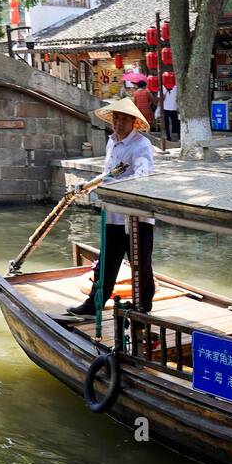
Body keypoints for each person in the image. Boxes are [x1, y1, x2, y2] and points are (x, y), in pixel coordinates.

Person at [68, 97, 156, 317]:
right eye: (117, 118)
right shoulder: (112, 142)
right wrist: (87, 186)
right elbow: (110, 173)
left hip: (137, 218)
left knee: (141, 265)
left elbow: (143, 173)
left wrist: (126, 186)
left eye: (125, 119)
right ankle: (94, 304)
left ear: (134, 122)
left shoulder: (141, 145)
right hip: (113, 215)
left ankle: (143, 308)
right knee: (106, 262)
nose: (119, 123)